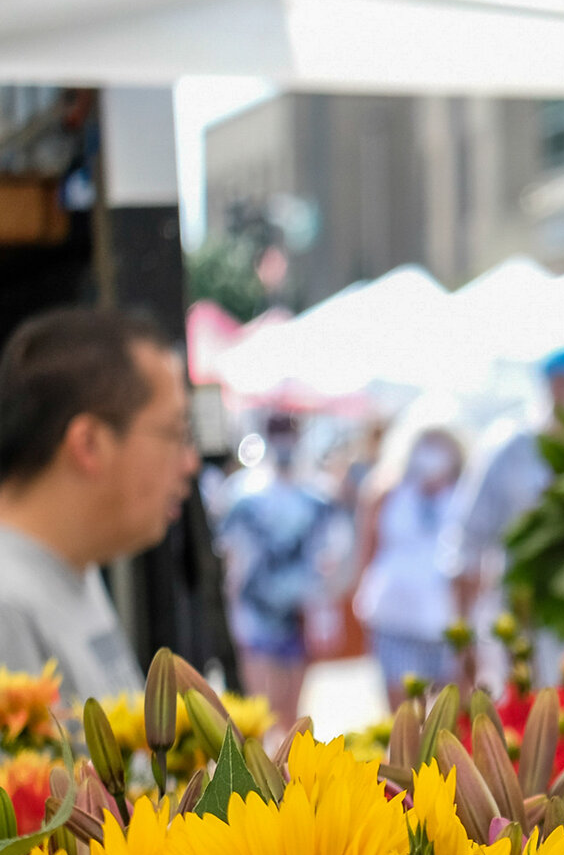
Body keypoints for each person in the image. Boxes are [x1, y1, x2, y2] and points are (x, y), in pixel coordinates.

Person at [0, 308, 201, 705]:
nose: (190, 462)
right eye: (176, 433)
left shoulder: (74, 567)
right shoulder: (8, 605)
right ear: (89, 443)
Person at [448, 347, 564, 677]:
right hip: (522, 610)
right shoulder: (510, 445)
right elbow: (468, 540)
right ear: (553, 383)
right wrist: (463, 636)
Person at [217, 412, 337, 730]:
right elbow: (229, 556)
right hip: (254, 614)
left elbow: (327, 558)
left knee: (291, 714)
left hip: (297, 616)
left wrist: (321, 614)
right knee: (258, 711)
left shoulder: (316, 496)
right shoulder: (243, 494)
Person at [353, 427, 464, 698]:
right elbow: (367, 548)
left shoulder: (463, 493)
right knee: (402, 716)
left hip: (445, 621)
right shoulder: (386, 490)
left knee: (445, 716)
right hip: (394, 617)